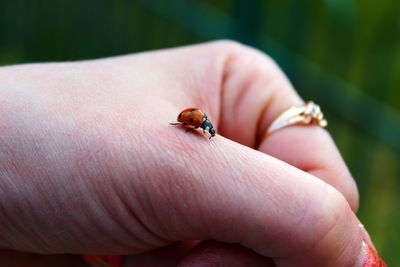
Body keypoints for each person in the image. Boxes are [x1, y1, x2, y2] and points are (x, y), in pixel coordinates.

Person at [0, 41, 385, 266]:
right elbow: (191, 126)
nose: (206, 131)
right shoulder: (197, 123)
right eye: (205, 128)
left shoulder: (203, 123)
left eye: (204, 128)